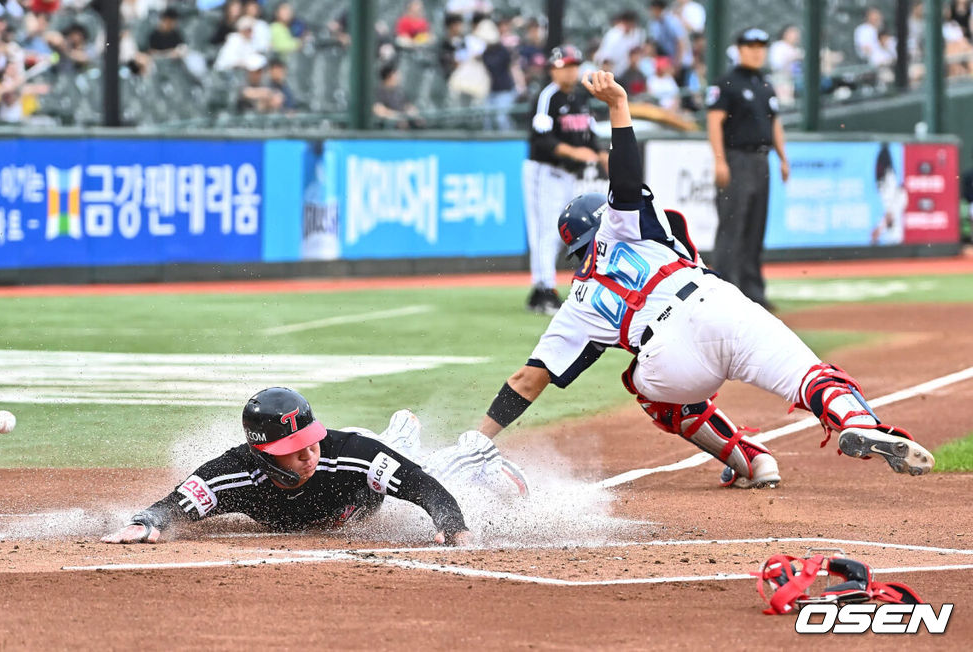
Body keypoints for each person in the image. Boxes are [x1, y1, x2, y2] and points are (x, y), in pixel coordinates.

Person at [472, 70, 936, 491]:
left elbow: (527, 381)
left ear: (575, 249)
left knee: (650, 390)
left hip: (669, 361)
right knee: (813, 378)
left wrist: (475, 439)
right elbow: (628, 178)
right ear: (603, 220)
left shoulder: (577, 299)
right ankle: (860, 422)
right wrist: (618, 106)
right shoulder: (623, 225)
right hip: (719, 304)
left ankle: (750, 461)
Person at [103, 387, 529, 545]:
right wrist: (147, 521)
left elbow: (421, 486)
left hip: (370, 471)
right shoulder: (237, 472)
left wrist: (451, 523)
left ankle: (475, 449)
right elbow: (177, 503)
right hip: (366, 451)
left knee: (414, 461)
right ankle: (399, 432)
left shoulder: (343, 453)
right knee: (391, 446)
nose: (310, 453)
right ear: (264, 452)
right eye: (295, 447)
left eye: (310, 441)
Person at [705, 27, 788, 310]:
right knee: (732, 227)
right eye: (750, 46)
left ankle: (754, 293)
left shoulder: (765, 85)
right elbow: (714, 121)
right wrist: (719, 160)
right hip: (736, 158)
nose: (756, 51)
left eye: (761, 46)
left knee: (755, 228)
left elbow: (774, 122)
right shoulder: (726, 83)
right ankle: (727, 292)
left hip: (761, 160)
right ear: (739, 49)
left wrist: (783, 157)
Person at [523, 45, 606, 315]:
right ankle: (544, 289)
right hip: (544, 171)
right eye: (564, 66)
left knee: (557, 233)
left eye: (573, 65)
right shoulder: (548, 96)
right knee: (545, 231)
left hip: (567, 174)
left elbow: (589, 134)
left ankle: (541, 290)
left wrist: (601, 154)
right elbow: (541, 138)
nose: (570, 71)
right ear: (553, 69)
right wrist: (575, 152)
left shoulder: (580, 98)